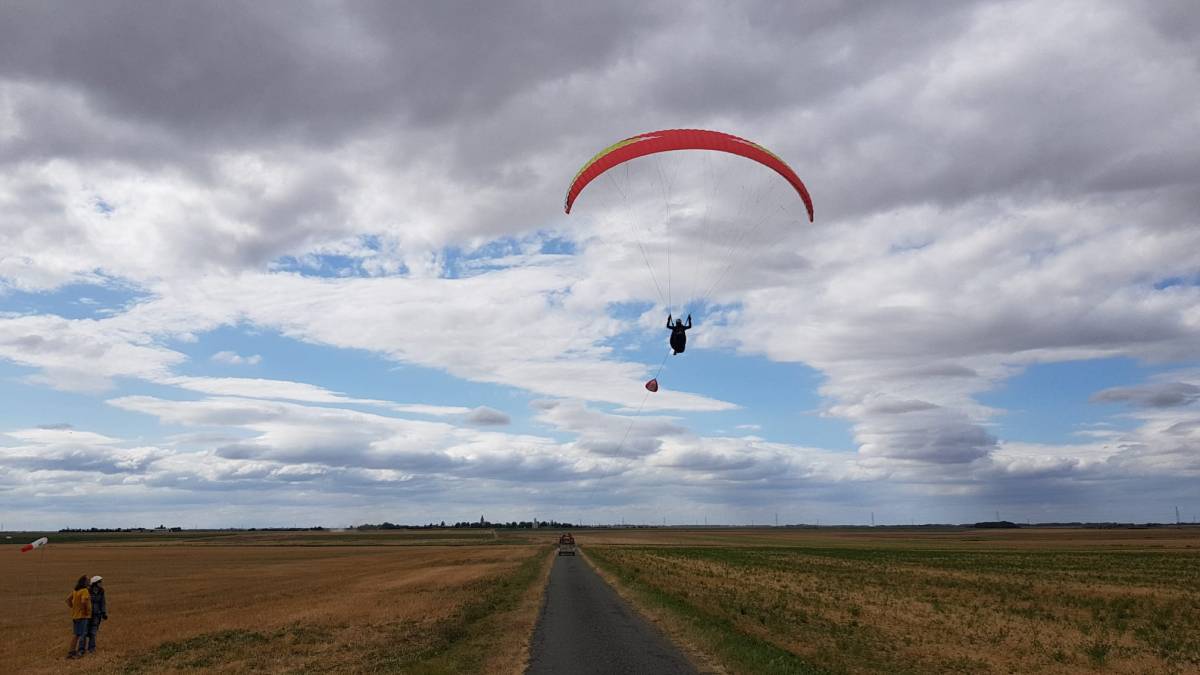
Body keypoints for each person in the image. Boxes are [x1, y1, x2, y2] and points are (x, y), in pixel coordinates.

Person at [66, 575, 91, 659]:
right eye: (88, 580)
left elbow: (68, 600)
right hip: (82, 616)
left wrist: (73, 607)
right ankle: (80, 652)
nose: (89, 581)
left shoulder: (75, 591)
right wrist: (85, 611)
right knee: (82, 634)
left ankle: (71, 651)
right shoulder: (85, 591)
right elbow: (84, 602)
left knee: (76, 634)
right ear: (84, 582)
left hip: (75, 616)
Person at [86, 576, 108, 655]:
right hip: (87, 615)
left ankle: (91, 648)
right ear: (95, 583)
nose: (101, 583)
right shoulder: (87, 591)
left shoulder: (101, 591)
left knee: (93, 632)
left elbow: (102, 602)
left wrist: (104, 612)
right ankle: (81, 649)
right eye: (99, 582)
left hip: (96, 614)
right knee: (85, 632)